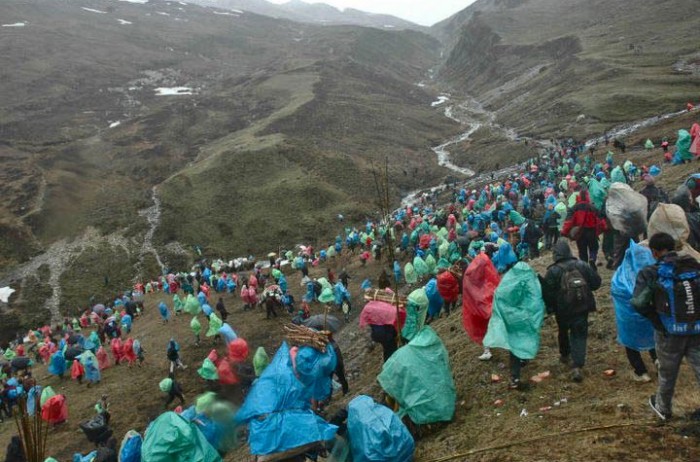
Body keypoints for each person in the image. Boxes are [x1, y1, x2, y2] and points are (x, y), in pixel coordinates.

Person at [632, 232, 700, 420]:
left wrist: (657, 321)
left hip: (668, 332)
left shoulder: (651, 272)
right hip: (696, 328)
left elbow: (637, 302)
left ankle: (663, 408)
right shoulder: (692, 265)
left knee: (667, 373)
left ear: (654, 252)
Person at [542, 240, 602, 382]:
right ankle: (577, 365)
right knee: (579, 334)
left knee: (563, 330)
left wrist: (551, 308)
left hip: (562, 309)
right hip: (582, 306)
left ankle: (564, 355)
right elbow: (596, 283)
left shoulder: (552, 271)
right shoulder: (582, 265)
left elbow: (547, 293)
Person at [562, 190, 605, 267]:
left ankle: (584, 266)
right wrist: (601, 230)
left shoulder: (574, 208)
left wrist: (564, 232)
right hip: (591, 232)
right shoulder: (592, 208)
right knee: (594, 247)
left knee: (582, 251)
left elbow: (569, 222)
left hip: (580, 233)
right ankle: (592, 258)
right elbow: (600, 221)